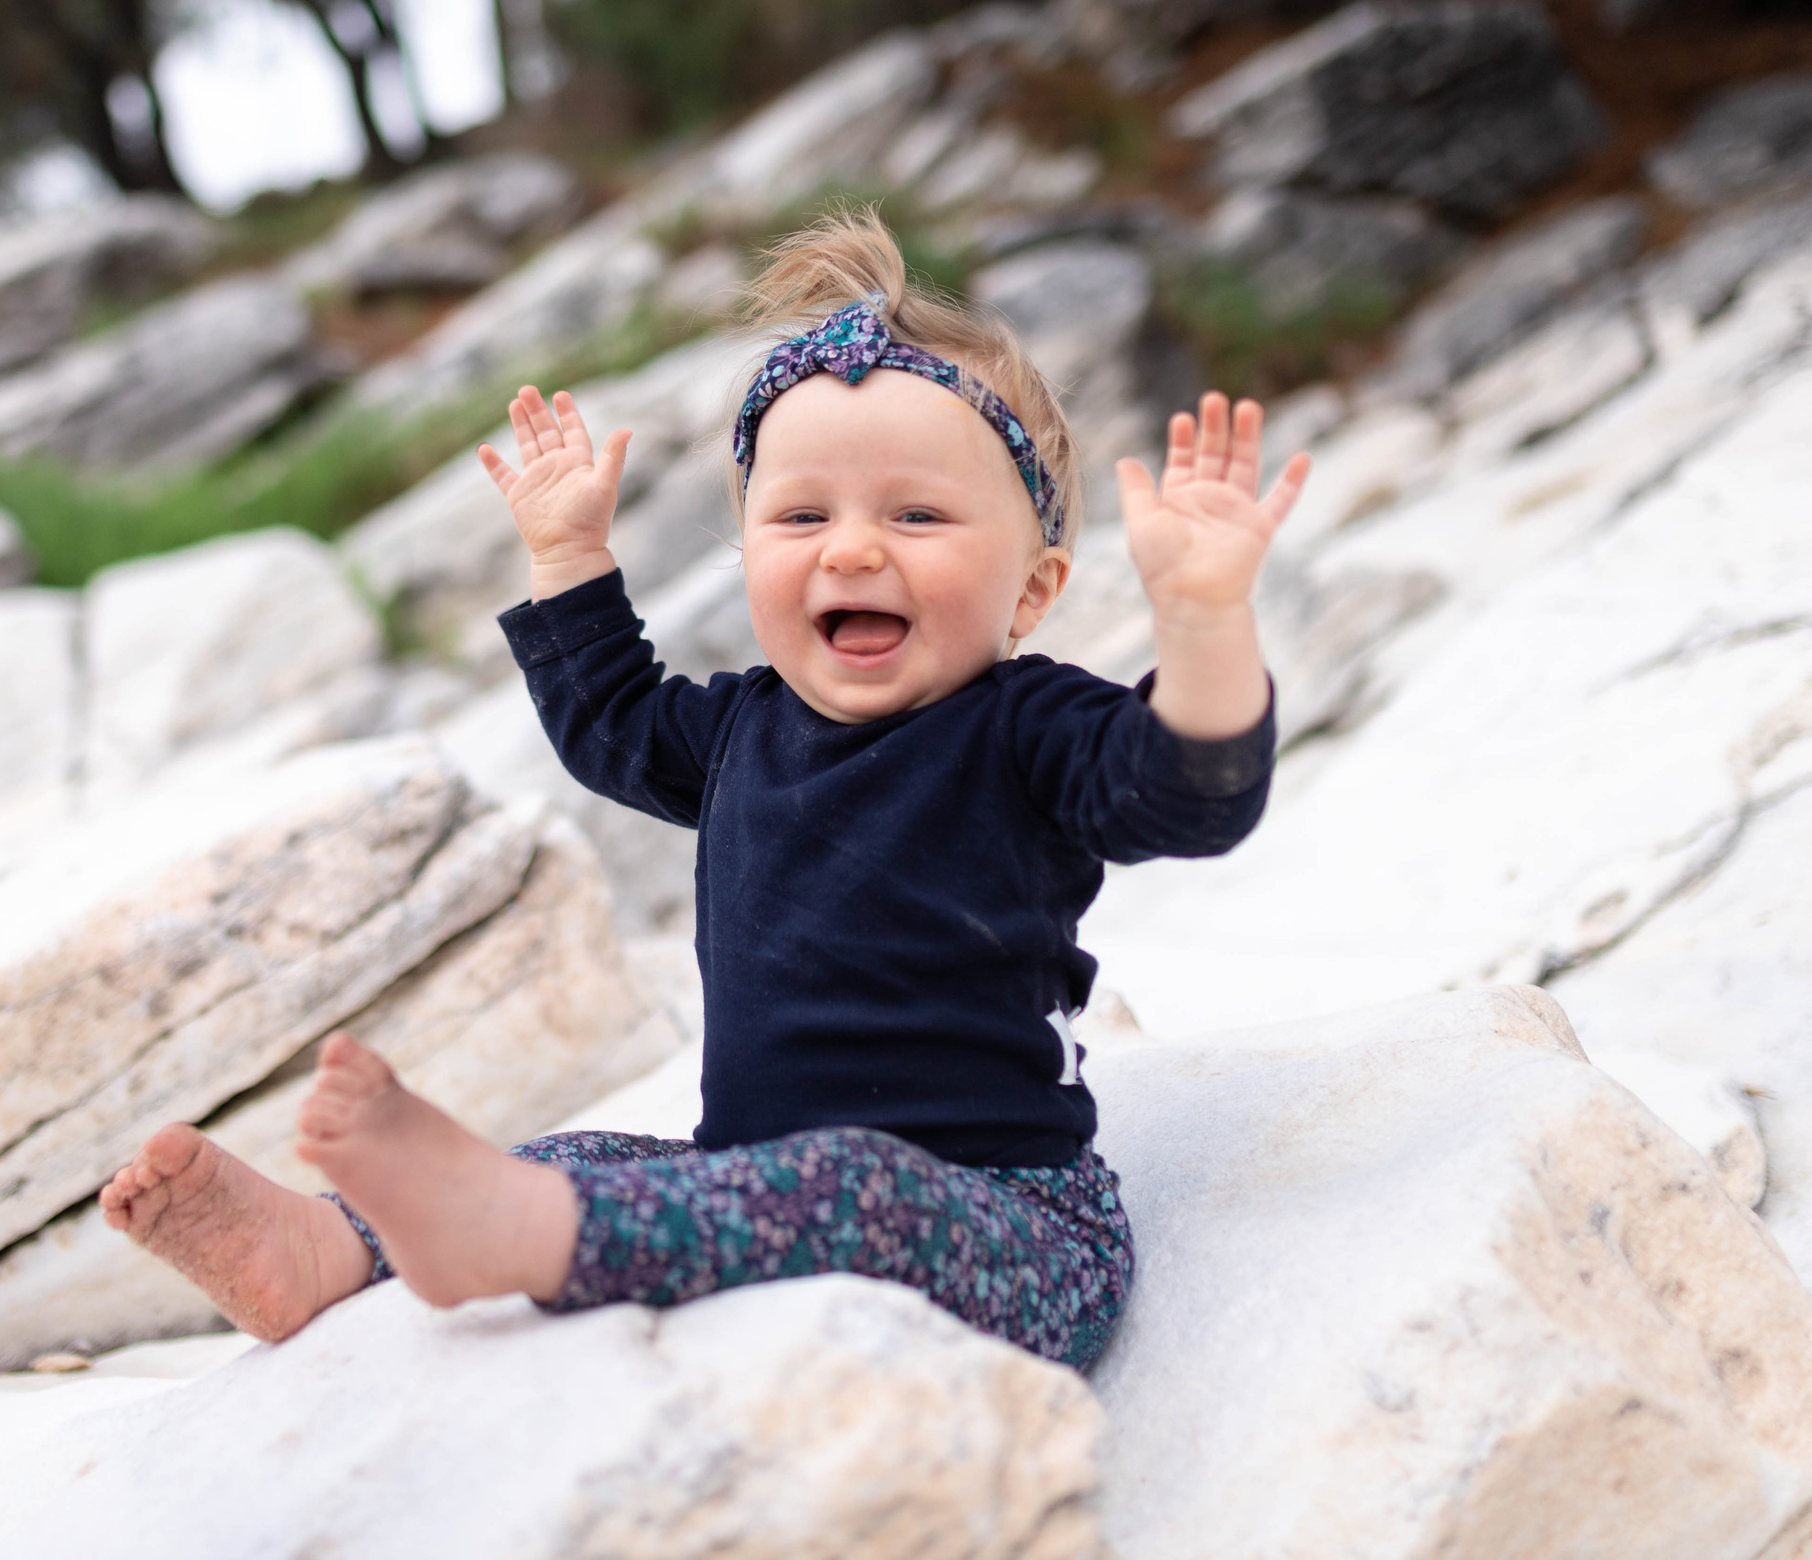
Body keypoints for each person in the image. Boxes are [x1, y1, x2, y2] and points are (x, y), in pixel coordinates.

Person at [100, 208, 1309, 1370]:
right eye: (800, 514)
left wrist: (1203, 619)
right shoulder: (743, 729)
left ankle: (520, 1240)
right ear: (747, 553)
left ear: (1034, 588)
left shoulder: (1027, 725)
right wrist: (569, 556)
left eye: (917, 512)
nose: (849, 547)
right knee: (578, 1149)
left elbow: (1184, 793)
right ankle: (320, 1248)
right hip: (747, 1176)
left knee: (848, 1187)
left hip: (1003, 1223)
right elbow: (610, 723)